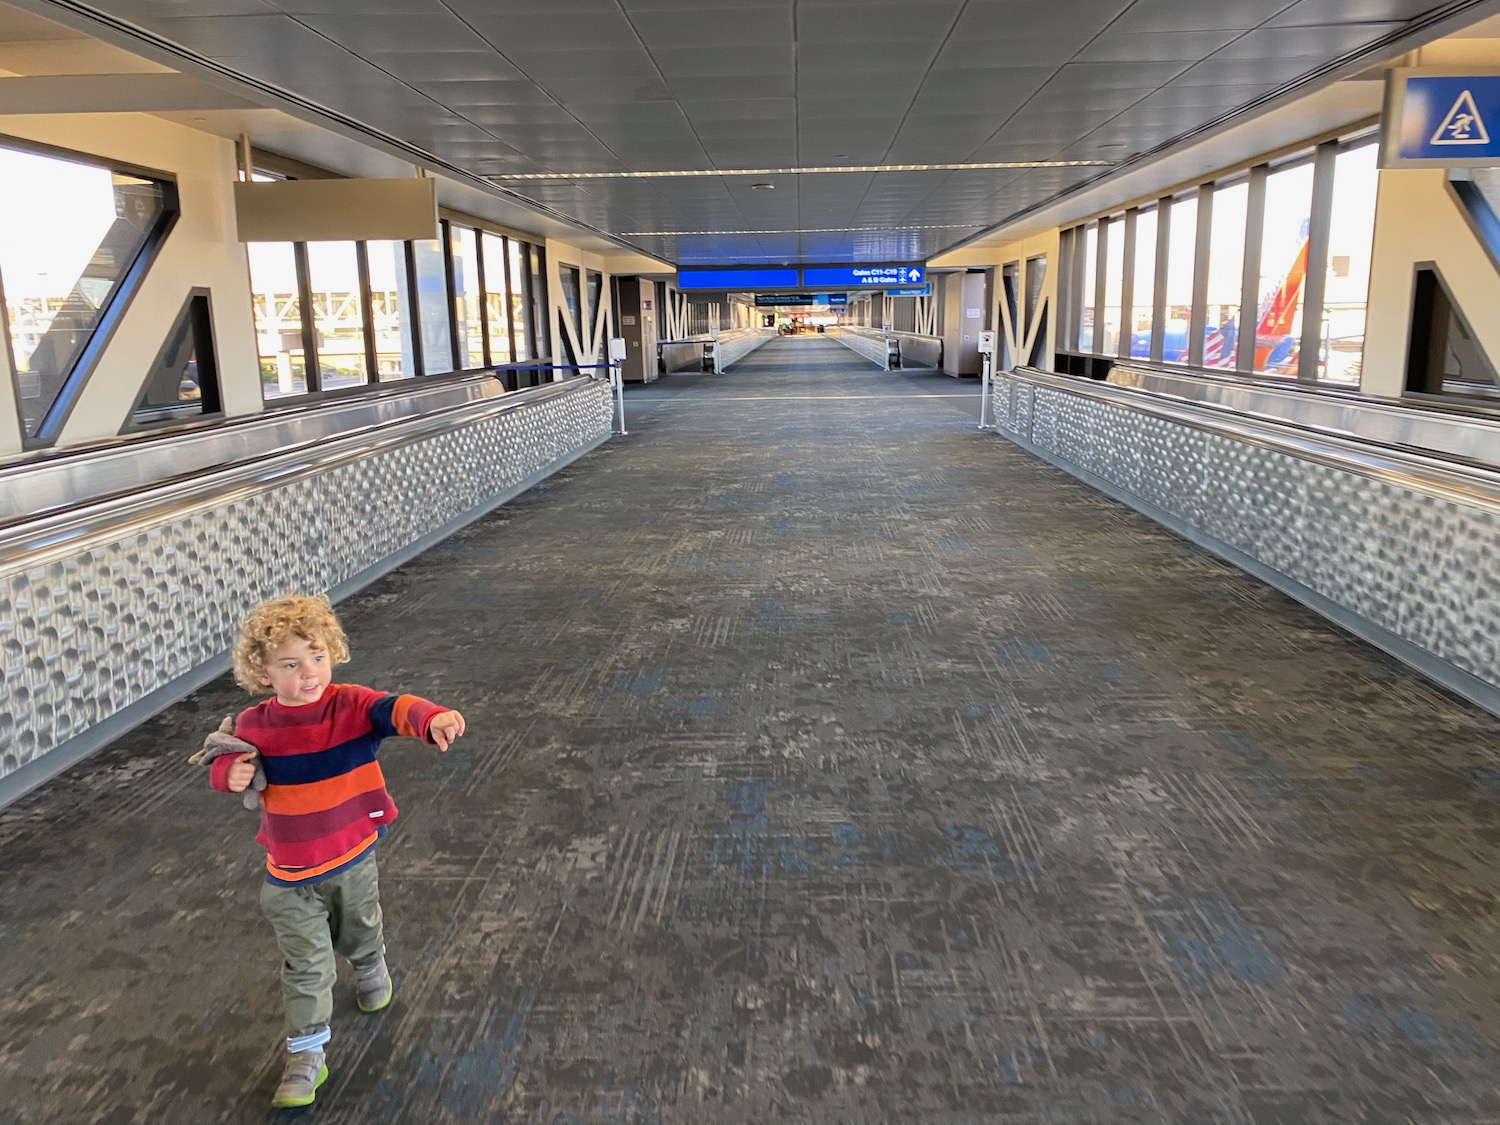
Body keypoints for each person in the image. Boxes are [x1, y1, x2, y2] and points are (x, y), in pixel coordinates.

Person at [206, 594, 465, 1108]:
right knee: (306, 967)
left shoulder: (348, 706)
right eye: (291, 664)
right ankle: (306, 1055)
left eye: (318, 657)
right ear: (261, 671)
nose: (309, 673)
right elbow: (220, 752)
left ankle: (370, 966)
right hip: (288, 876)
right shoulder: (252, 724)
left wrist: (433, 718)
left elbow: (394, 708)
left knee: (360, 926)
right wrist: (226, 775)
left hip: (352, 858)